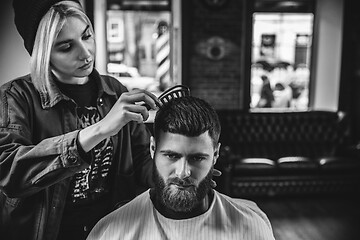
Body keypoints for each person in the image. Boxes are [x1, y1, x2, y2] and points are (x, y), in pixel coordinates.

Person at [0, 1, 161, 239]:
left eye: (87, 36)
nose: (85, 53)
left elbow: (140, 160)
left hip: (112, 229)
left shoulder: (116, 91)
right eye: (66, 47)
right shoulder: (15, 97)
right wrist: (99, 130)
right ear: (43, 53)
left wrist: (174, 176)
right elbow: (9, 173)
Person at [87, 96, 275, 240]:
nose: (183, 172)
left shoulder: (252, 228)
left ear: (215, 155)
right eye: (171, 156)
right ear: (153, 148)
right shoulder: (111, 232)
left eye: (197, 158)